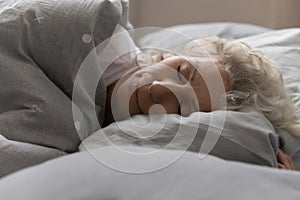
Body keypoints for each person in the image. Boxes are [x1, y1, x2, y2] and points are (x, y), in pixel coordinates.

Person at [100, 27, 298, 170]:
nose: (158, 89)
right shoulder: (98, 30)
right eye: (179, 71)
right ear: (164, 55)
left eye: (181, 108)